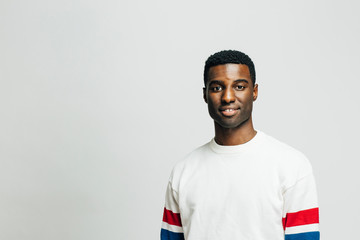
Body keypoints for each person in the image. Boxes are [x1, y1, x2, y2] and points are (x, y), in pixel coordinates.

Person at [160, 50, 320, 240]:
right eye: (217, 88)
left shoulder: (292, 166)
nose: (228, 97)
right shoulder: (183, 172)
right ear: (205, 95)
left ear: (254, 92)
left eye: (239, 86)